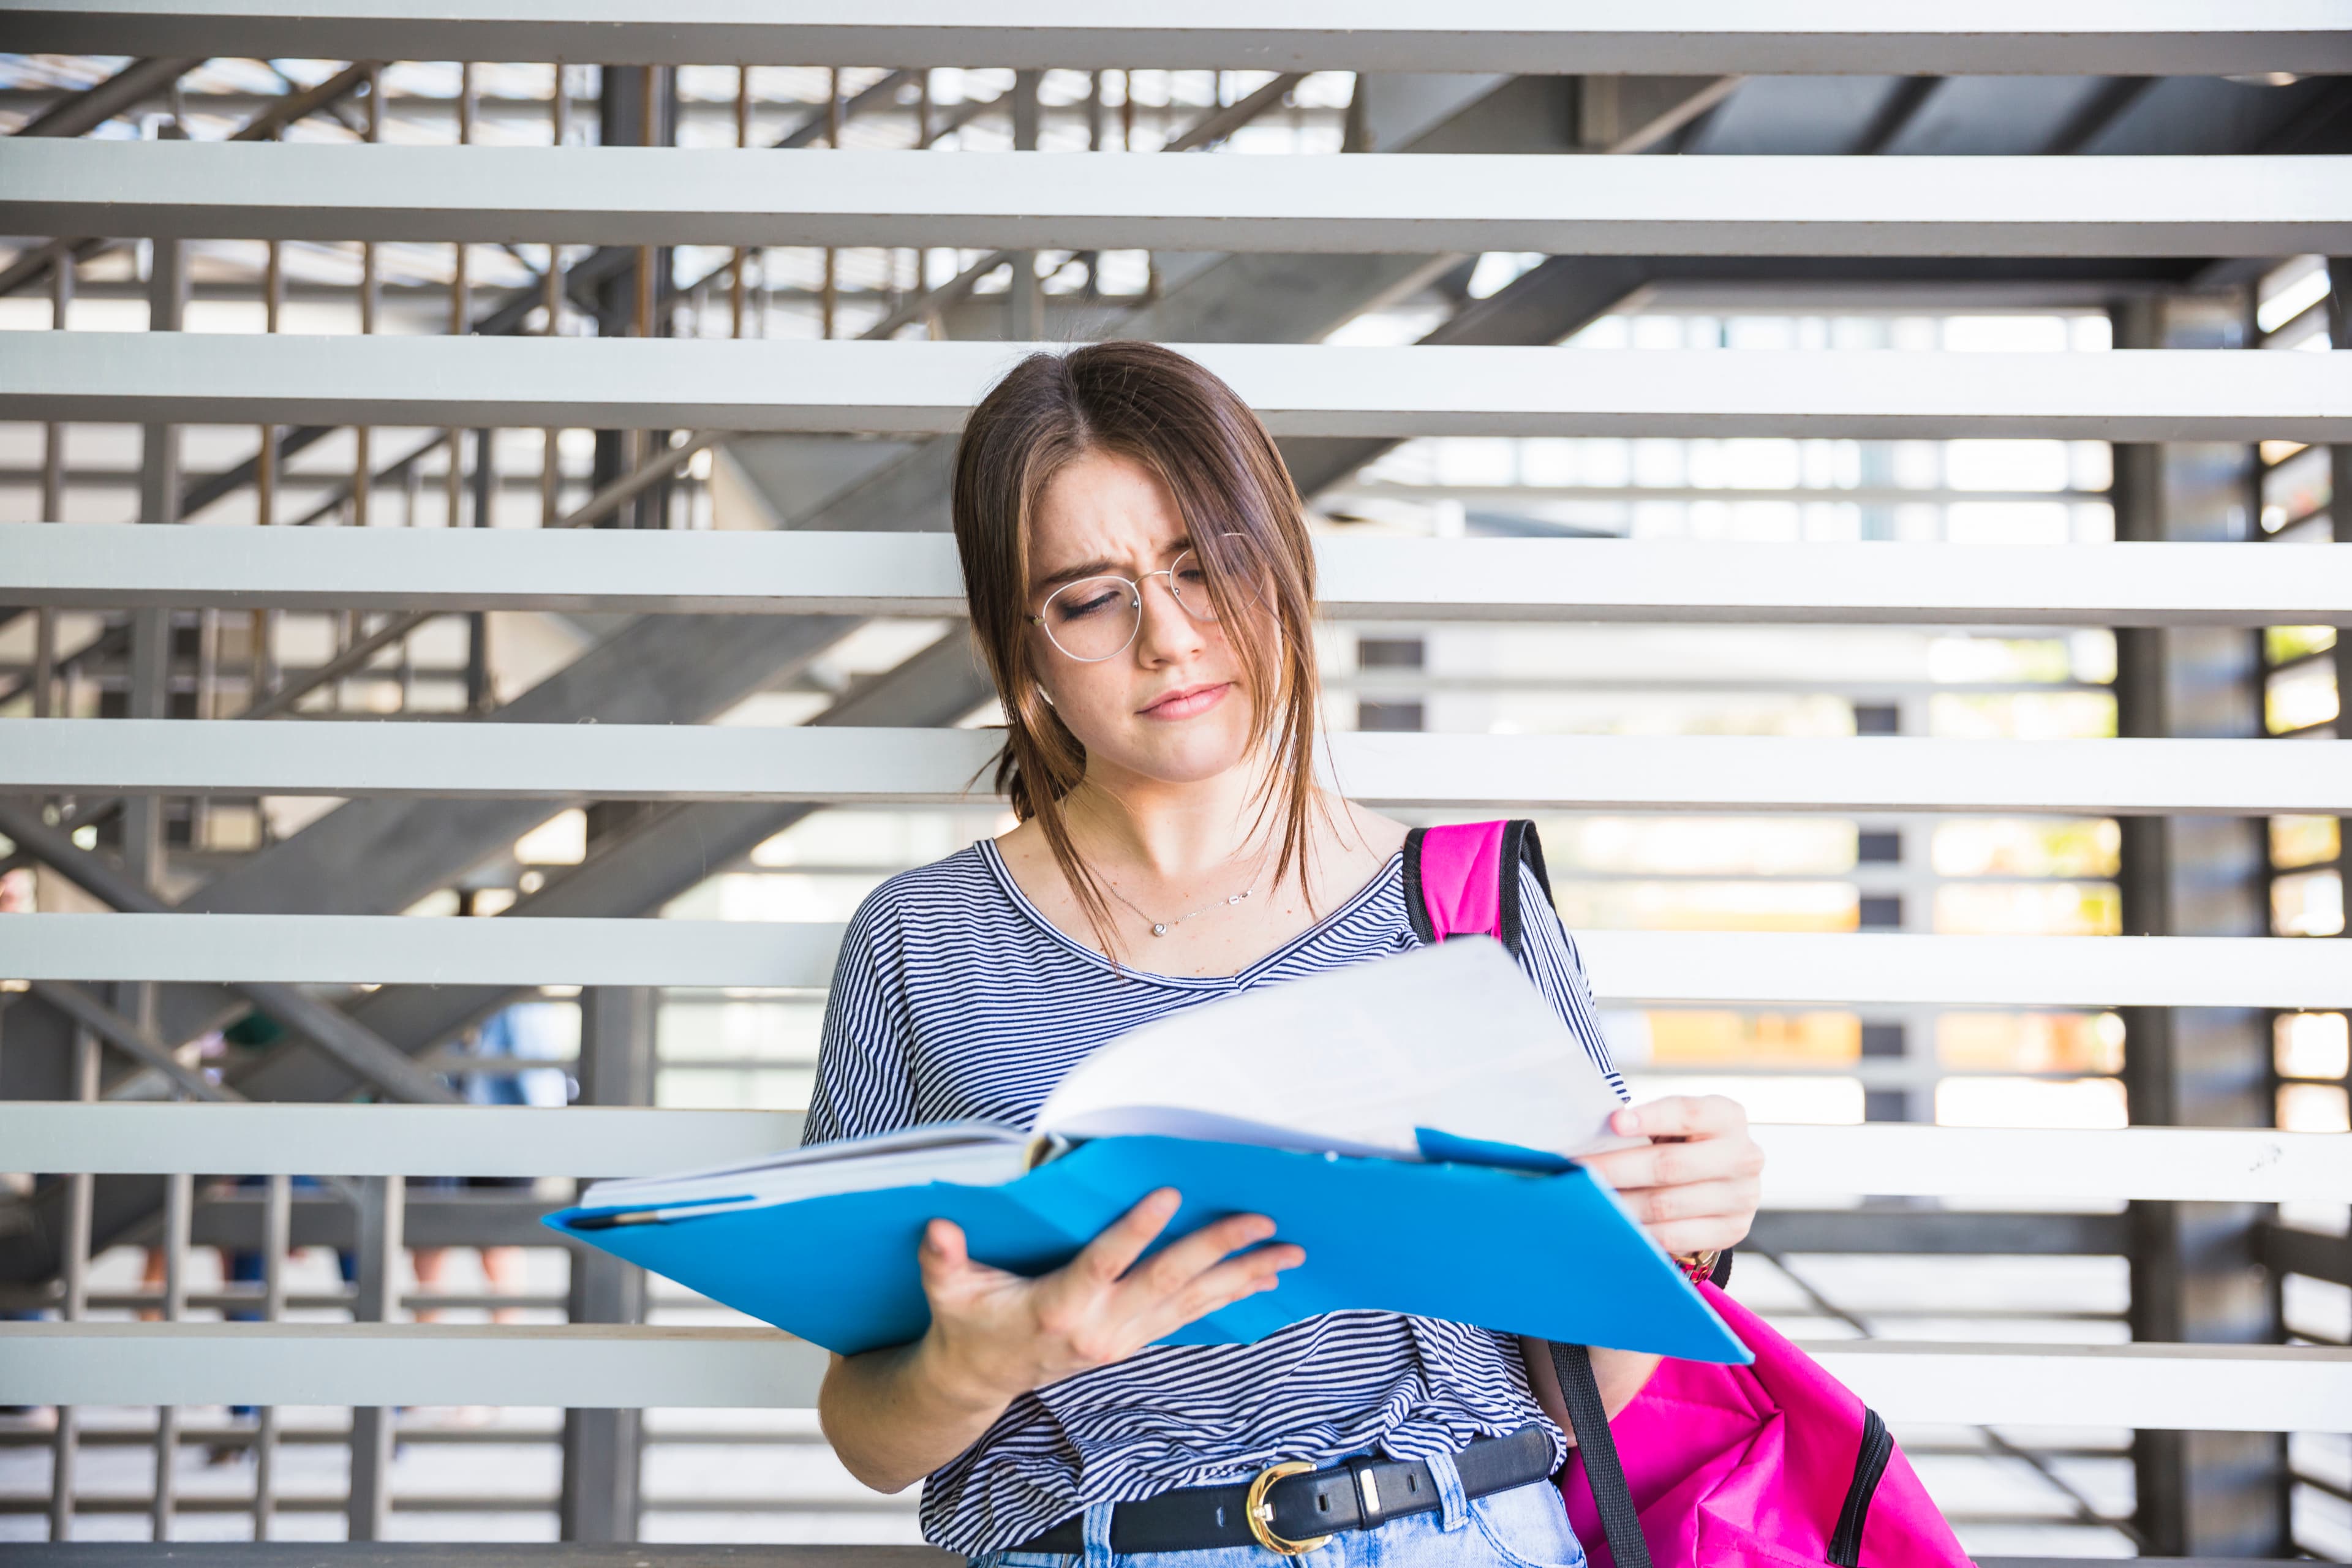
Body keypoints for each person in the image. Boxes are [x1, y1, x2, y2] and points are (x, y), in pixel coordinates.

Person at [804, 342, 1765, 1568]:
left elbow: (1587, 1397)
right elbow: (870, 1432)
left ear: (1283, 564)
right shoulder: (921, 939)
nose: (1169, 637)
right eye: (1090, 599)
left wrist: (1671, 1233)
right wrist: (981, 1361)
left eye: (1205, 566)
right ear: (1021, 642)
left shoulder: (1464, 905)